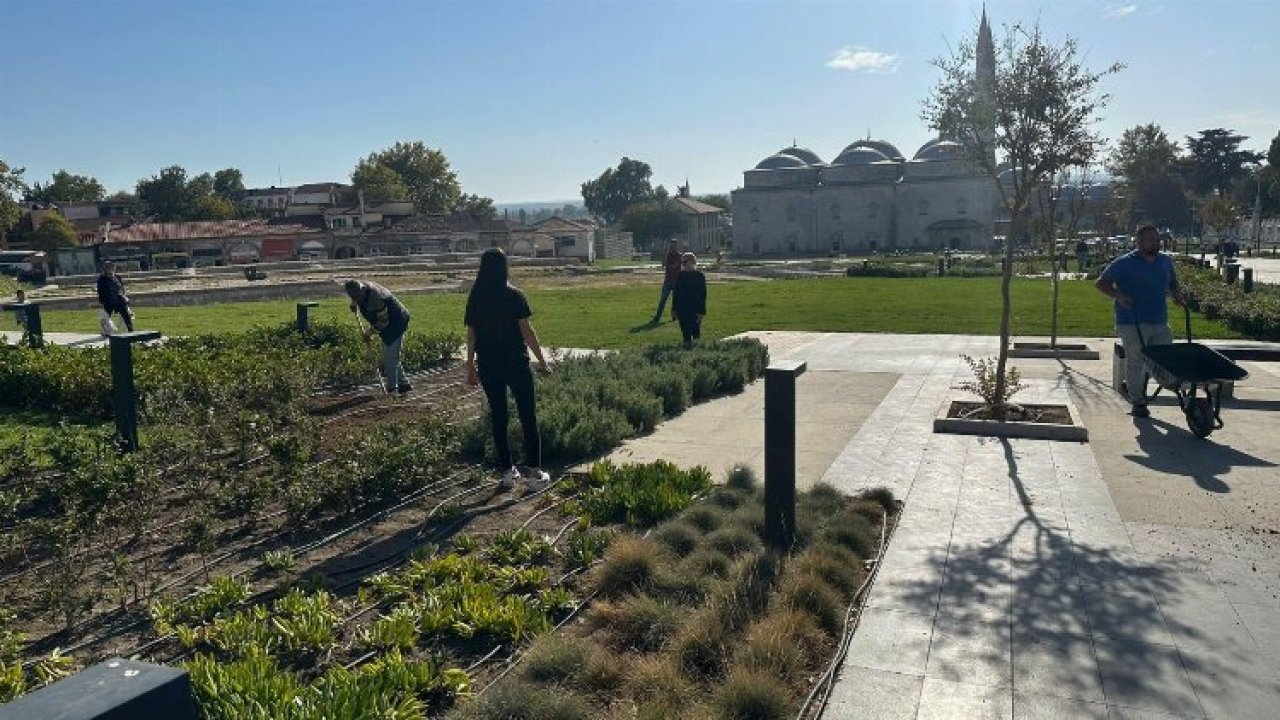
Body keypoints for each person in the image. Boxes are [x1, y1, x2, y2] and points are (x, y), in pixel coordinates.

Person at [465, 248, 552, 491]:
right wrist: (542, 361)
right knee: (527, 416)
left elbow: (471, 335)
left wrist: (470, 367)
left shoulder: (475, 297)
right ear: (505, 267)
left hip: (489, 365)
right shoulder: (514, 295)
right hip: (515, 363)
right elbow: (527, 332)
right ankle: (534, 473)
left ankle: (506, 472)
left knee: (499, 418)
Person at [1095, 224, 1184, 418]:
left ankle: (1149, 384)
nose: (1154, 243)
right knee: (1136, 360)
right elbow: (1101, 283)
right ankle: (1138, 402)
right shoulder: (1124, 263)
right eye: (1149, 239)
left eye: (1156, 239)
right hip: (1131, 320)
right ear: (1139, 241)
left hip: (1159, 319)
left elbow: (1173, 282)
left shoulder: (1165, 261)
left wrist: (1177, 295)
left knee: (1164, 358)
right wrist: (1119, 295)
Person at [344, 279, 411, 394]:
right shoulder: (359, 291)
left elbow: (383, 322)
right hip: (387, 325)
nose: (356, 299)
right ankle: (403, 384)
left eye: (357, 297)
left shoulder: (376, 298)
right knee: (391, 355)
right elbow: (357, 299)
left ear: (361, 291)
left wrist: (369, 332)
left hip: (397, 322)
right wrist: (354, 303)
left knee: (389, 358)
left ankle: (392, 389)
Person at [672, 252, 707, 348]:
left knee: (696, 333)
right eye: (682, 262)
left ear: (692, 261)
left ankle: (696, 354)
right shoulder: (680, 275)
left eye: (685, 262)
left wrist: (702, 311)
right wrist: (674, 309)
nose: (682, 264)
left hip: (695, 309)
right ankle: (686, 352)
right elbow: (676, 293)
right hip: (682, 309)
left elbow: (703, 295)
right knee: (685, 333)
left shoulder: (699, 276)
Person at [96, 261, 134, 333]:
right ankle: (106, 332)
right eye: (108, 268)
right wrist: (102, 301)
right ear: (105, 270)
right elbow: (100, 291)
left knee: (127, 315)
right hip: (108, 301)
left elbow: (122, 289)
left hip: (119, 300)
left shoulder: (118, 277)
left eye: (112, 268)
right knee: (105, 319)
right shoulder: (102, 279)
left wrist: (124, 297)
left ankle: (130, 331)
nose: (110, 270)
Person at [651, 239, 683, 324]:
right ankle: (657, 317)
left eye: (674, 245)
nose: (673, 247)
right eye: (671, 245)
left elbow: (675, 265)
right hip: (667, 281)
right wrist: (665, 252)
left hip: (676, 281)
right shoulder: (668, 255)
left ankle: (674, 316)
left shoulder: (679, 255)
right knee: (663, 300)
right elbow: (663, 264)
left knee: (675, 301)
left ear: (677, 246)